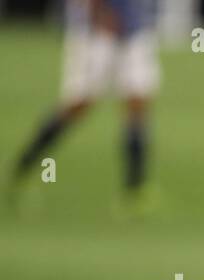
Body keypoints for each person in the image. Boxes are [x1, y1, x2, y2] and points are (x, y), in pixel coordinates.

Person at [10, 0, 161, 212]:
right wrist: (99, 13)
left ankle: (134, 191)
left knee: (137, 101)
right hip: (96, 33)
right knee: (78, 104)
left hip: (133, 29)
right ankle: (23, 168)